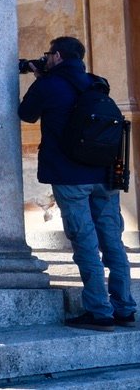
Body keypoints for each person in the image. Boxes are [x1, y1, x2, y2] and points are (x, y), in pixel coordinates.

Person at [19, 35, 136, 331]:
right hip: (104, 176)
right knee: (113, 242)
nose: (46, 58)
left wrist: (40, 78)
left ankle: (99, 312)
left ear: (57, 56)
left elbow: (26, 114)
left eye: (49, 54)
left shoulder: (49, 85)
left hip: (70, 177)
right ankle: (124, 308)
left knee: (85, 243)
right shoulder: (97, 83)